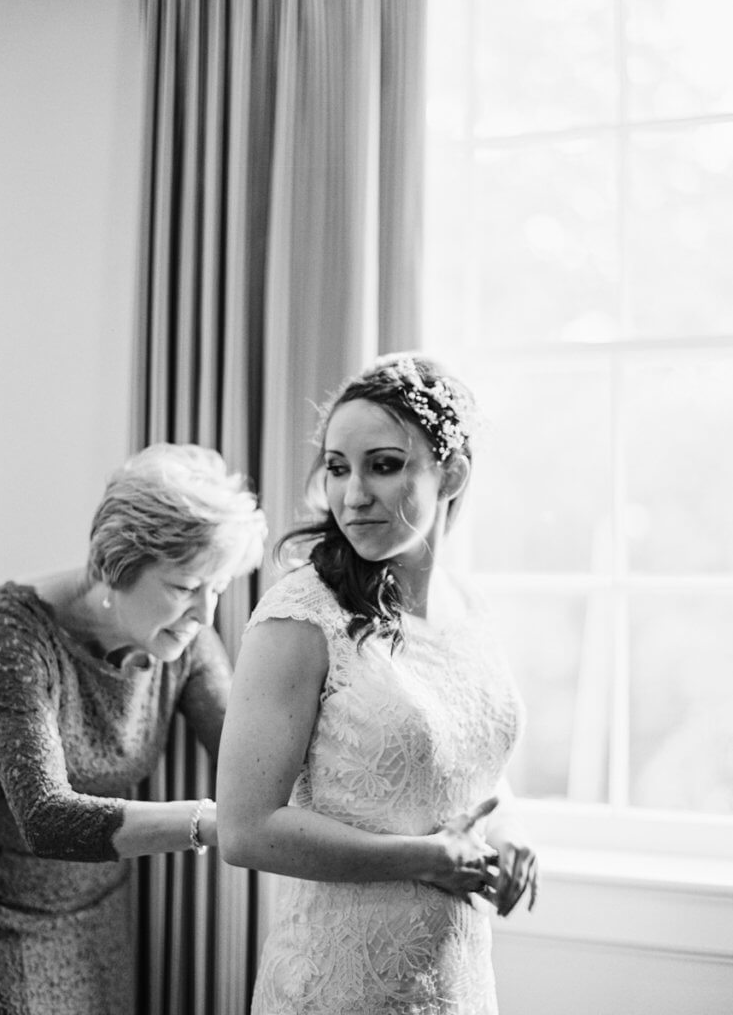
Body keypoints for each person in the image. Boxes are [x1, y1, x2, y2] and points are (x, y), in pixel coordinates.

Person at [216, 353, 538, 1015]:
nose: (352, 495)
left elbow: (465, 763)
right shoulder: (299, 616)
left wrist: (505, 833)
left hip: (454, 975)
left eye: (383, 465)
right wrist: (422, 858)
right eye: (337, 468)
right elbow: (246, 830)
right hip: (337, 983)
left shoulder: (468, 606)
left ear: (451, 471)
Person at [0, 443, 267, 1015]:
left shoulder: (186, 640)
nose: (205, 613)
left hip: (100, 914)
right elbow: (47, 819)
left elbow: (247, 757)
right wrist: (216, 824)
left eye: (218, 588)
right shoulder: (9, 635)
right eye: (183, 588)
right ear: (113, 566)